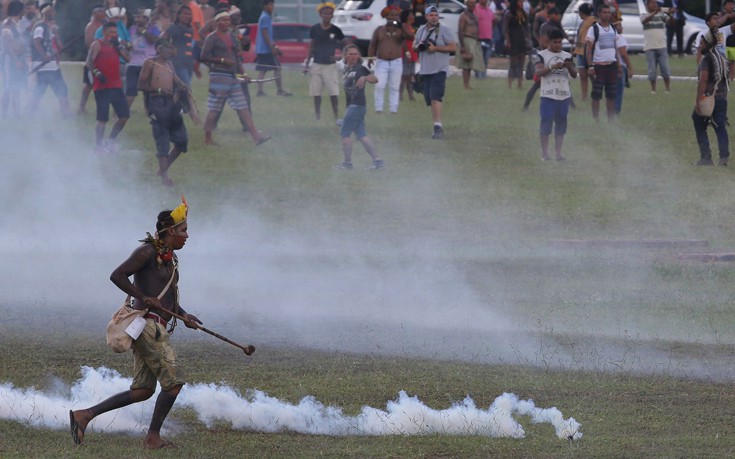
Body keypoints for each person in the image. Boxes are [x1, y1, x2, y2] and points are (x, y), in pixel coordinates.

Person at [69, 198, 202, 450]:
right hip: (147, 327)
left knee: (143, 390)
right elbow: (117, 275)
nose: (187, 235)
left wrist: (184, 316)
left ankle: (84, 415)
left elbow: (166, 299)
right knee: (173, 384)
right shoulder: (147, 252)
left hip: (154, 327)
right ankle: (153, 438)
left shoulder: (169, 259)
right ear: (170, 231)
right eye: (183, 230)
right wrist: (142, 297)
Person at [200, 9, 270, 146]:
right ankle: (208, 138)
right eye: (223, 20)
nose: (226, 22)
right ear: (216, 22)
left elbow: (236, 58)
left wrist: (243, 75)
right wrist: (222, 61)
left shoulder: (231, 36)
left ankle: (256, 137)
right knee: (214, 109)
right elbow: (203, 56)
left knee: (243, 107)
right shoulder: (212, 37)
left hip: (232, 77)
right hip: (218, 77)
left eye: (228, 20)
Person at [139, 39, 197, 186]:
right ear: (159, 48)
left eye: (172, 48)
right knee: (163, 142)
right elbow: (141, 84)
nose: (172, 51)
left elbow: (176, 81)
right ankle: (165, 177)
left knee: (182, 141)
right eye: (168, 48)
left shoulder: (169, 64)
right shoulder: (149, 63)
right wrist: (159, 90)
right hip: (157, 104)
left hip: (172, 105)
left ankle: (162, 169)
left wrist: (183, 87)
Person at [334, 44, 384, 170]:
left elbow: (375, 79)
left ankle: (347, 164)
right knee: (362, 135)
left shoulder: (360, 68)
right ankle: (378, 161)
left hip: (356, 106)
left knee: (345, 134)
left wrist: (365, 77)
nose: (353, 56)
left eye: (356, 54)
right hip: (355, 107)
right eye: (350, 54)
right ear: (345, 56)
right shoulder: (347, 70)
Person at [413, 4, 457, 139]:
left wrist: (435, 48)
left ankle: (438, 127)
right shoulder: (421, 30)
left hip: (439, 69)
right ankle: (436, 124)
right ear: (426, 16)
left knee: (435, 97)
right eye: (431, 15)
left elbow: (453, 47)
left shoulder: (445, 29)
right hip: (426, 70)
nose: (434, 17)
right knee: (429, 99)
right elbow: (414, 46)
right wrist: (419, 46)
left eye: (436, 15)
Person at [87, 21, 130, 154]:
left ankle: (110, 141)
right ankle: (98, 146)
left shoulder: (116, 45)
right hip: (102, 86)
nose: (113, 34)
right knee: (102, 119)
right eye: (111, 32)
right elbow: (89, 62)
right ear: (104, 32)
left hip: (116, 85)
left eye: (115, 32)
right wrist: (96, 73)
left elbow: (127, 59)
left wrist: (119, 47)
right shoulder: (97, 44)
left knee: (124, 116)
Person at [535, 28, 575, 161]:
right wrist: (552, 67)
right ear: (549, 42)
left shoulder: (567, 55)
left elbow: (574, 75)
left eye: (560, 42)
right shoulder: (541, 55)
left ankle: (558, 153)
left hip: (564, 95)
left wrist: (569, 67)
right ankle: (545, 154)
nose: (558, 45)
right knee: (546, 122)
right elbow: (538, 72)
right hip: (547, 95)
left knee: (561, 123)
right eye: (555, 42)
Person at [693, 22, 730, 166]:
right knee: (720, 126)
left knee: (698, 121)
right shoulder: (721, 57)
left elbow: (703, 81)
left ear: (708, 43)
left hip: (709, 97)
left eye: (702, 42)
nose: (700, 45)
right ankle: (723, 157)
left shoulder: (707, 59)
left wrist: (698, 100)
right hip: (721, 97)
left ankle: (706, 157)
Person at [27, 3, 70, 116]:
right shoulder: (40, 26)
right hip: (43, 64)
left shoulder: (51, 28)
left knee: (61, 89)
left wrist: (56, 34)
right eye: (51, 13)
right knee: (41, 90)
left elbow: (60, 47)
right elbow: (36, 42)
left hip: (51, 65)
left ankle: (65, 113)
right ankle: (30, 112)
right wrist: (44, 55)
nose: (53, 16)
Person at [368, 4, 411, 113]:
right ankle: (378, 109)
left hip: (396, 61)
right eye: (392, 15)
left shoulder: (401, 30)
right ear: (386, 17)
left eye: (396, 15)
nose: (394, 17)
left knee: (394, 87)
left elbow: (409, 38)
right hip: (382, 62)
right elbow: (373, 44)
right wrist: (370, 57)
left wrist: (402, 27)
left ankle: (393, 109)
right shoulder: (379, 30)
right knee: (379, 85)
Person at [305, 2, 344, 121]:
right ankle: (317, 115)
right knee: (316, 92)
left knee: (333, 92)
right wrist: (307, 63)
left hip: (330, 66)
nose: (327, 15)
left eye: (330, 13)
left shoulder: (336, 30)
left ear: (332, 15)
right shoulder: (315, 29)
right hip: (316, 64)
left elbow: (344, 46)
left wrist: (340, 56)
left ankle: (336, 115)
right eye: (325, 13)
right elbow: (311, 46)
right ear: (320, 14)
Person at [585, 3, 618, 121]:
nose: (607, 15)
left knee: (611, 94)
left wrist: (618, 64)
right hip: (599, 66)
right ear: (599, 14)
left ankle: (611, 118)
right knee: (596, 94)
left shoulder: (613, 28)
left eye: (608, 12)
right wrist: (590, 66)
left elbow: (616, 47)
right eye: (604, 12)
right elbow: (588, 49)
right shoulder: (594, 29)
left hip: (612, 65)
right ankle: (596, 118)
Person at [255, 0, 291, 97]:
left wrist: (275, 46)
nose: (272, 6)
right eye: (270, 4)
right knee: (276, 68)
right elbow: (265, 34)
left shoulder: (265, 16)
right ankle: (279, 91)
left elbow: (268, 35)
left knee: (263, 70)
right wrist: (272, 47)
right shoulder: (265, 17)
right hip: (266, 49)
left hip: (263, 49)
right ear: (265, 6)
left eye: (273, 4)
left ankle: (260, 91)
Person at [127, 8, 160, 108]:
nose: (136, 19)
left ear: (146, 19)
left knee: (148, 90)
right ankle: (123, 112)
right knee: (130, 90)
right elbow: (129, 42)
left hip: (148, 63)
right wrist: (128, 46)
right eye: (136, 17)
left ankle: (149, 111)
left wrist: (144, 32)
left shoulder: (153, 28)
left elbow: (154, 41)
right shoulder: (132, 28)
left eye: (139, 17)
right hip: (133, 63)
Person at [79, 5, 107, 115]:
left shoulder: (104, 25)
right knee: (89, 85)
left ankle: (102, 107)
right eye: (99, 11)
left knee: (103, 85)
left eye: (103, 11)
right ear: (94, 13)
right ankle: (81, 107)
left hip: (103, 59)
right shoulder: (91, 26)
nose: (102, 13)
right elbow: (88, 43)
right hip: (93, 60)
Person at [1, 0, 26, 117]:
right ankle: (3, 113)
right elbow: (7, 46)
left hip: (18, 59)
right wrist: (16, 59)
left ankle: (17, 113)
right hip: (9, 60)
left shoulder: (17, 24)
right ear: (18, 11)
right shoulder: (8, 24)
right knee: (8, 87)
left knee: (17, 87)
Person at [641, 0, 671, 93]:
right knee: (652, 70)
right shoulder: (644, 14)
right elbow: (644, 21)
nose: (655, 4)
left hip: (662, 46)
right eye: (652, 3)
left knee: (665, 69)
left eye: (656, 3)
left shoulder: (662, 14)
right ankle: (653, 90)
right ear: (647, 4)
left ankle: (667, 89)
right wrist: (655, 12)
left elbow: (670, 22)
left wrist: (670, 14)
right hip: (649, 47)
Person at [162, 5, 196, 86]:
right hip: (178, 63)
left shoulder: (190, 29)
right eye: (184, 14)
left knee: (180, 89)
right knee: (187, 87)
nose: (187, 16)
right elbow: (162, 40)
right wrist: (171, 48)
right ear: (179, 15)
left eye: (189, 14)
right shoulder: (173, 28)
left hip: (189, 63)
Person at [503, 0, 530, 89]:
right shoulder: (509, 14)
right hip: (513, 40)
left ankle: (520, 83)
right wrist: (508, 41)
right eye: (520, 1)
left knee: (521, 63)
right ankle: (510, 83)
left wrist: (528, 39)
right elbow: (505, 29)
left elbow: (526, 27)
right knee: (513, 63)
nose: (522, 3)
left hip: (522, 40)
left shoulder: (524, 13)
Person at [458, 0, 484, 89]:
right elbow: (460, 31)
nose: (472, 5)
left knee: (470, 65)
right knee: (466, 64)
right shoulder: (463, 16)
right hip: (466, 40)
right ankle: (465, 84)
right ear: (466, 4)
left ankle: (468, 84)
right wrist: (462, 46)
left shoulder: (474, 16)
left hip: (474, 41)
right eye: (470, 3)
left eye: (473, 3)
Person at [572, 3, 595, 101]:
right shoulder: (583, 23)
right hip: (580, 52)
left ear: (581, 13)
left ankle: (595, 93)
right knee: (583, 75)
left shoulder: (593, 22)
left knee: (591, 75)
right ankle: (584, 96)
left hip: (589, 52)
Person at [614, 30, 633, 114]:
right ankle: (616, 111)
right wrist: (630, 67)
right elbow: (623, 54)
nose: (621, 27)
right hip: (620, 66)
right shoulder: (618, 37)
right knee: (619, 91)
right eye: (619, 25)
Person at [475, 0, 494, 78]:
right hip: (479, 38)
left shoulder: (489, 10)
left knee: (486, 58)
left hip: (488, 38)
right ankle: (478, 76)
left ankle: (483, 76)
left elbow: (493, 21)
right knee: (479, 58)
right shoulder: (476, 9)